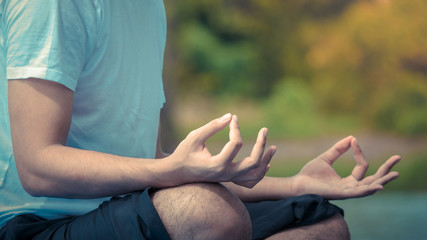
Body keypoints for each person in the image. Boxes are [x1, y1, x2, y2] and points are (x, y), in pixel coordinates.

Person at [0, 0, 400, 239]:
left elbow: (151, 165)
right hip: (34, 225)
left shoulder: (149, 7)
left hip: (123, 207)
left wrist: (295, 183)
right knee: (207, 212)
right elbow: (38, 166)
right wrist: (172, 170)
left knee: (321, 223)